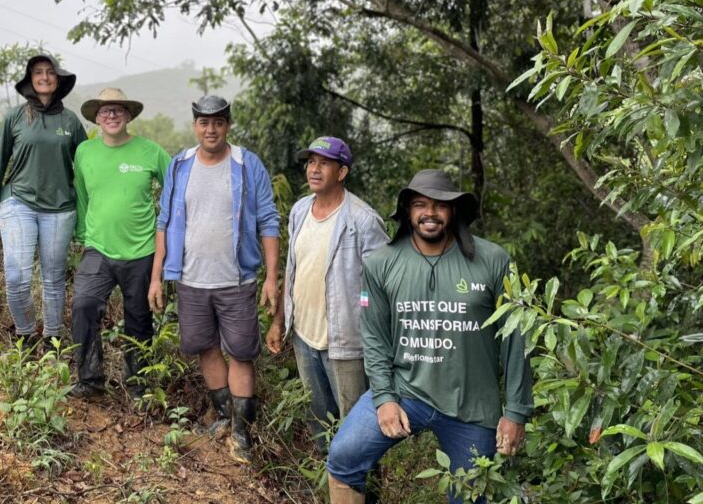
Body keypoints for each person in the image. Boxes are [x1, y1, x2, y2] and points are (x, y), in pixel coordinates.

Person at [326, 169, 534, 504]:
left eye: (440, 205)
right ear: (408, 211)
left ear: (453, 211)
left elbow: (515, 340)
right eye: (420, 204)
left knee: (470, 494)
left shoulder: (493, 260)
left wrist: (515, 413)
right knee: (344, 455)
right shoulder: (382, 263)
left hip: (472, 406)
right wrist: (384, 399)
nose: (430, 213)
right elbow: (375, 336)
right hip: (406, 390)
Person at [148, 94, 280, 464]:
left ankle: (242, 432)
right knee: (204, 346)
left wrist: (271, 277)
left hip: (236, 279)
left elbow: (268, 220)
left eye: (218, 122)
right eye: (204, 122)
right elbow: (165, 222)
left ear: (227, 125)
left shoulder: (246, 164)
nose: (211, 129)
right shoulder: (180, 164)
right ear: (195, 126)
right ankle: (223, 417)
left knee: (240, 352)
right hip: (190, 279)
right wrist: (157, 276)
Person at [266, 136, 388, 452]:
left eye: (324, 163)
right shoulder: (300, 210)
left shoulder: (362, 219)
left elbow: (383, 284)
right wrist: (279, 321)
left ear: (342, 172)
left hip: (346, 343)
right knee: (319, 424)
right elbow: (292, 271)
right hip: (304, 338)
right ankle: (327, 490)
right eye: (310, 162)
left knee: (357, 430)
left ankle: (363, 496)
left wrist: (364, 316)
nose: (314, 170)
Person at [0, 54, 87, 346]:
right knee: (16, 276)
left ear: (58, 80)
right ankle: (26, 335)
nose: (44, 77)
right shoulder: (14, 117)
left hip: (60, 209)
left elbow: (88, 168)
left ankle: (53, 339)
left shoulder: (70, 121)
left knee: (53, 279)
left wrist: (91, 215)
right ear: (30, 80)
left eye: (50, 72)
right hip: (18, 202)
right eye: (38, 72)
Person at [70, 88, 171, 398]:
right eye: (105, 111)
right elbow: (82, 197)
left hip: (141, 249)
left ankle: (138, 383)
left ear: (128, 115)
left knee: (139, 317)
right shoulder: (85, 152)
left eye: (117, 110)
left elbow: (174, 192)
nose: (111, 115)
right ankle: (90, 380)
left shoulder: (151, 151)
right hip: (97, 248)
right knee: (83, 304)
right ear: (97, 118)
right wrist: (85, 237)